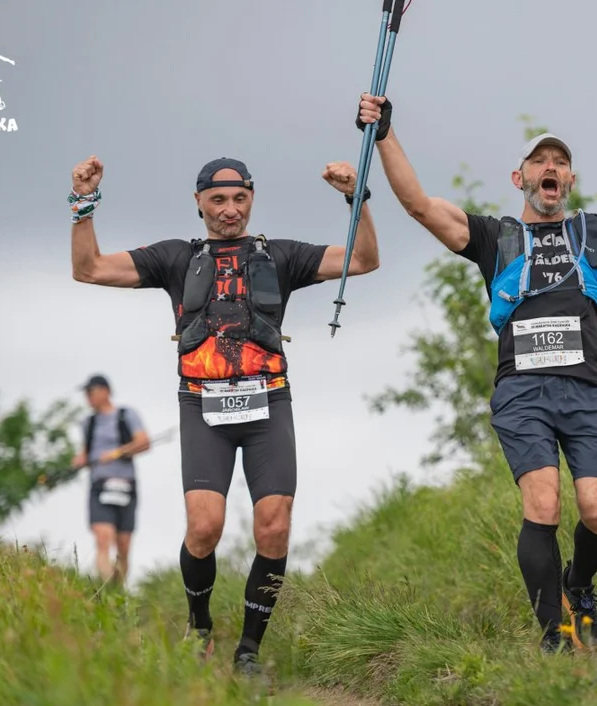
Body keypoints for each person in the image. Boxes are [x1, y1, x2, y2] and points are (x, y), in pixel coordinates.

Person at [357, 91, 597, 652]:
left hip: (587, 390)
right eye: (541, 161)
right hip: (522, 391)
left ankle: (579, 587)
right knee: (542, 503)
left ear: (569, 180)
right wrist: (385, 132)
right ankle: (557, 632)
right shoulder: (495, 239)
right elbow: (421, 205)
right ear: (520, 176)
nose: (551, 168)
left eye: (560, 162)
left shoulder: (592, 234)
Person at [68, 152, 380, 673]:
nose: (230, 209)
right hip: (202, 405)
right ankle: (201, 623)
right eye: (218, 199)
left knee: (274, 526)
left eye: (239, 198)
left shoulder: (281, 255)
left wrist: (357, 196)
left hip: (268, 402)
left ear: (251, 199)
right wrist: (83, 203)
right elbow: (89, 269)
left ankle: (250, 650)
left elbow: (365, 259)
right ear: (199, 203)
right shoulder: (175, 257)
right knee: (204, 527)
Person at [70, 374, 151, 586]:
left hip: (126, 485)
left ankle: (118, 591)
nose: (88, 397)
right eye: (86, 394)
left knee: (123, 546)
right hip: (100, 485)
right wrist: (81, 460)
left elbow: (143, 442)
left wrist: (118, 452)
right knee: (103, 538)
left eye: (92, 392)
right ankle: (105, 591)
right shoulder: (88, 423)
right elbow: (87, 455)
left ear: (106, 391)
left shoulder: (127, 415)